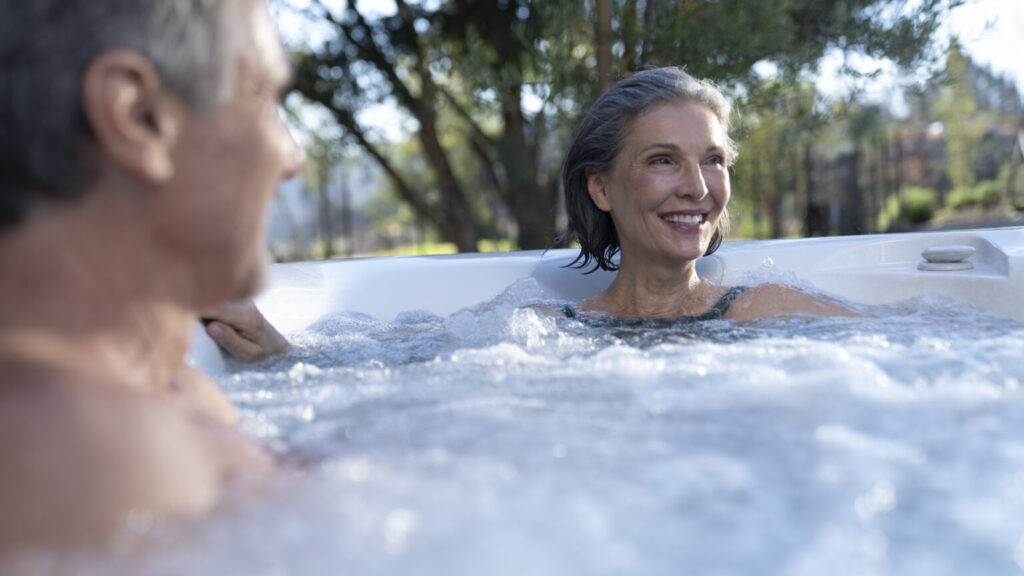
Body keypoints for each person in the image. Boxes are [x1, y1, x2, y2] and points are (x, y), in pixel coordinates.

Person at [0, 0, 304, 554]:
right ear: (139, 116)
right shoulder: (96, 461)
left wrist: (279, 357)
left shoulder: (164, 401)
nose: (292, 157)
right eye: (262, 95)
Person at [559, 67, 857, 320]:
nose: (698, 188)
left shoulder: (775, 310)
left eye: (713, 160)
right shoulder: (553, 327)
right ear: (601, 189)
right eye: (662, 160)